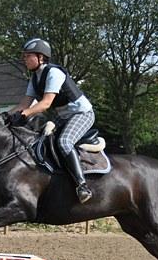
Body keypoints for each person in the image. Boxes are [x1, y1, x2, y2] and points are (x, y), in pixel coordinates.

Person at [6, 38, 94, 203]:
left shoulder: (54, 72)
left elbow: (45, 103)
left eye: (27, 56)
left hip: (82, 114)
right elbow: (24, 103)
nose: (24, 59)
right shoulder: (34, 78)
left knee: (65, 142)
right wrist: (6, 116)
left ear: (40, 57)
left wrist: (24, 115)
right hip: (63, 117)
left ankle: (82, 185)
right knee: (39, 142)